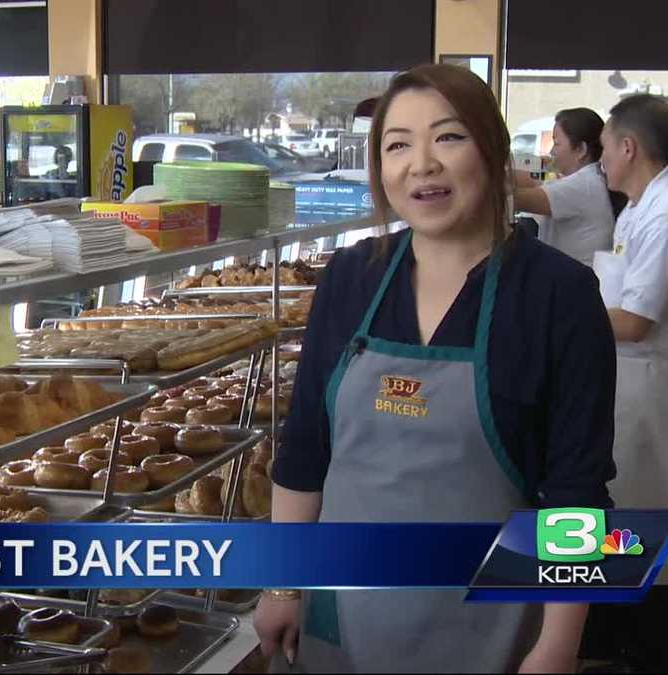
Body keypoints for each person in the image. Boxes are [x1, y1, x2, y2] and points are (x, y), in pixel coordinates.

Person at [254, 63, 617, 674]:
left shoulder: (560, 295)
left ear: (494, 152)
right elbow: (306, 448)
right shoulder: (352, 277)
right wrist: (284, 587)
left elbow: (576, 493)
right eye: (397, 145)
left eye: (448, 137)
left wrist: (558, 645)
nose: (421, 164)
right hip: (343, 620)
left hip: (493, 629)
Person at [581, 94, 668, 674]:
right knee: (617, 521)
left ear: (629, 147)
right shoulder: (640, 207)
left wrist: (563, 316)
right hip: (627, 378)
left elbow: (634, 322)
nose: (601, 160)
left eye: (605, 148)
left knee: (639, 525)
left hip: (651, 381)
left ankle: (653, 656)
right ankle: (611, 643)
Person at [513, 108, 625, 266]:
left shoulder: (583, 185)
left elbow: (516, 199)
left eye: (557, 143)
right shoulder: (584, 179)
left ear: (581, 150)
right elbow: (533, 181)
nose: (552, 151)